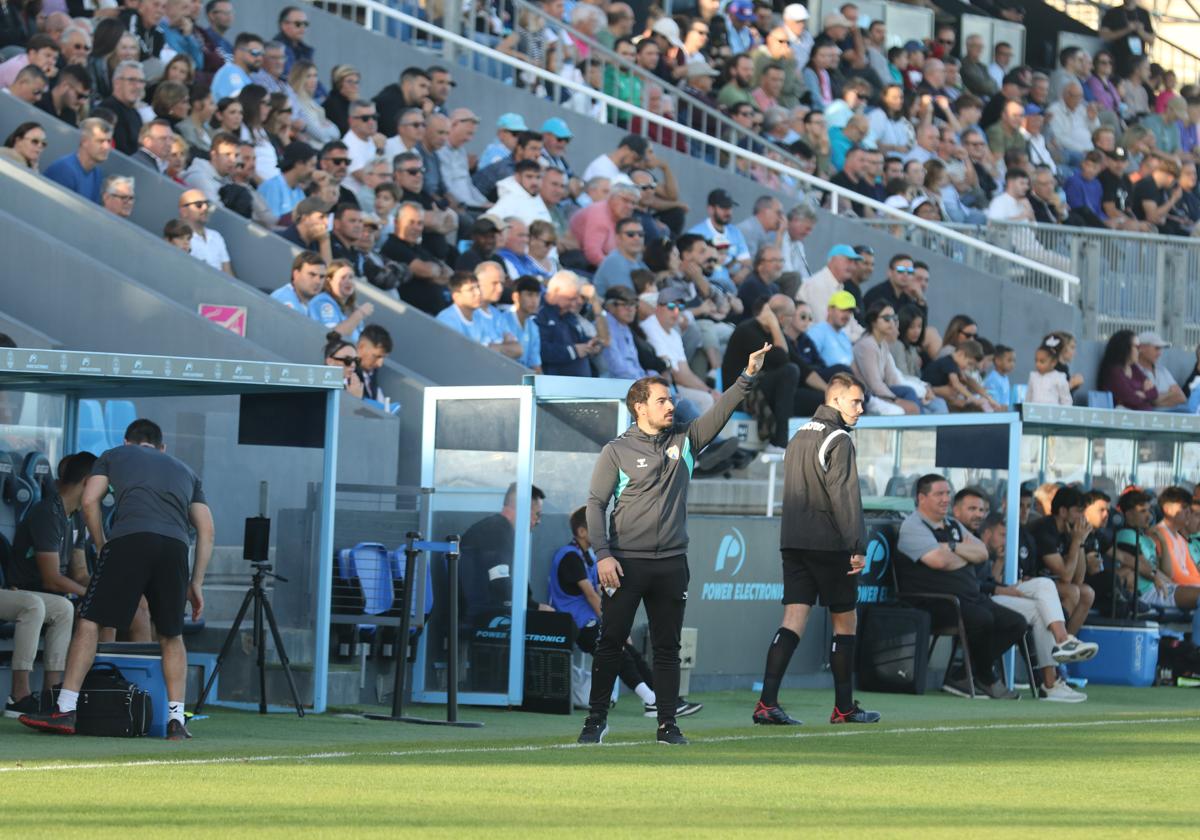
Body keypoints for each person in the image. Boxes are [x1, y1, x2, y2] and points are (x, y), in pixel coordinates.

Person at [577, 344, 769, 746]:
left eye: (670, 399)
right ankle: (596, 720)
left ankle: (667, 725)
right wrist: (603, 555)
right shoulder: (616, 450)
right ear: (639, 408)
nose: (670, 405)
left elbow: (721, 411)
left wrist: (746, 376)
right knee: (610, 641)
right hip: (625, 563)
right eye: (662, 400)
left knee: (668, 648)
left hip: (671, 564)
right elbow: (595, 504)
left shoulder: (686, 439)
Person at [20, 419, 214, 740]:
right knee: (170, 635)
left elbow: (88, 501)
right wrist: (197, 582)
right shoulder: (186, 470)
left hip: (130, 539)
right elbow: (207, 530)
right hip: (176, 547)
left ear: (127, 441)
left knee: (89, 620)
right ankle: (176, 720)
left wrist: (101, 544)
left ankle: (65, 710)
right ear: (161, 447)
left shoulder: (113, 455)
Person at [753, 372, 880, 725]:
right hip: (829, 543)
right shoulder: (838, 438)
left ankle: (766, 703)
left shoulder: (799, 435)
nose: (860, 409)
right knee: (845, 621)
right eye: (855, 402)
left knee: (793, 619)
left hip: (793, 541)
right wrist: (857, 544)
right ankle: (843, 708)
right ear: (835, 400)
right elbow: (844, 495)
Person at [550, 506, 701, 720]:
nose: (600, 533)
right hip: (575, 623)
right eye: (594, 528)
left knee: (631, 651)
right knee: (617, 649)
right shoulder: (569, 557)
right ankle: (650, 700)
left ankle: (667, 700)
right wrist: (611, 622)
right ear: (582, 531)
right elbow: (592, 596)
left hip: (592, 619)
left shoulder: (589, 557)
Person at [896, 474, 1026, 699]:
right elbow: (940, 561)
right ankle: (983, 677)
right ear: (921, 498)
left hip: (968, 598)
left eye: (948, 493)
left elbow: (983, 553)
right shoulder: (913, 526)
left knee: (1016, 623)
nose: (946, 499)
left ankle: (964, 675)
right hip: (935, 602)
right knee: (982, 618)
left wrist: (951, 547)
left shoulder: (952, 525)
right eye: (939, 494)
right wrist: (964, 555)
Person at [1, 452, 96, 717]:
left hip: (40, 595)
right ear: (88, 482)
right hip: (20, 591)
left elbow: (78, 570)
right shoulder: (47, 512)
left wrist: (99, 590)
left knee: (64, 608)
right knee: (33, 604)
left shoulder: (74, 515)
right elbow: (51, 578)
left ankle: (51, 694)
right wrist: (90, 593)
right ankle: (18, 697)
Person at [978, 511, 1095, 702]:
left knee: (1043, 587)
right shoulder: (974, 545)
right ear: (987, 534)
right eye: (1003, 535)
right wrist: (1000, 580)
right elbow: (982, 584)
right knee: (1047, 590)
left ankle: (1050, 684)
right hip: (983, 601)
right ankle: (1063, 642)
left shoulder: (1006, 549)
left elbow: (995, 581)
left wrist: (1008, 578)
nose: (1007, 540)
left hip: (1002, 594)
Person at [459, 482, 552, 625]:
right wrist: (535, 607)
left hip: (484, 612)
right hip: (482, 618)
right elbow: (502, 586)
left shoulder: (498, 529)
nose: (538, 521)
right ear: (522, 509)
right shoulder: (497, 531)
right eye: (537, 514)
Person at [43, 117, 112, 203]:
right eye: (100, 141)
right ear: (84, 141)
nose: (106, 147)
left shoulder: (97, 173)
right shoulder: (64, 170)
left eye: (108, 141)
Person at [178, 189, 232, 275]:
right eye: (198, 205)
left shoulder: (216, 236)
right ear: (184, 211)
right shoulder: (178, 238)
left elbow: (228, 273)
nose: (205, 208)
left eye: (207, 204)